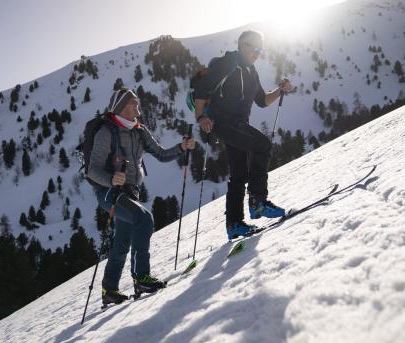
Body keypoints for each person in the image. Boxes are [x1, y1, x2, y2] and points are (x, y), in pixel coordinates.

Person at [88, 86, 195, 305]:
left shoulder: (139, 130)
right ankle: (141, 277)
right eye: (132, 103)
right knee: (144, 219)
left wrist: (181, 147)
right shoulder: (106, 132)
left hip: (130, 193)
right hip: (108, 192)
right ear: (120, 107)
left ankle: (109, 290)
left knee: (123, 241)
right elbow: (93, 169)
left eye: (137, 102)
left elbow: (162, 154)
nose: (137, 106)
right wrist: (111, 180)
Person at [193, 30, 293, 240]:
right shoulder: (225, 64)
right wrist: (201, 117)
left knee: (238, 174)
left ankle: (234, 224)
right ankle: (257, 201)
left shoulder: (251, 71)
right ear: (241, 45)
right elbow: (201, 91)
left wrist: (280, 90)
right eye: (253, 47)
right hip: (223, 122)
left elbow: (262, 101)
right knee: (262, 145)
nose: (257, 53)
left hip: (238, 124)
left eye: (260, 49)